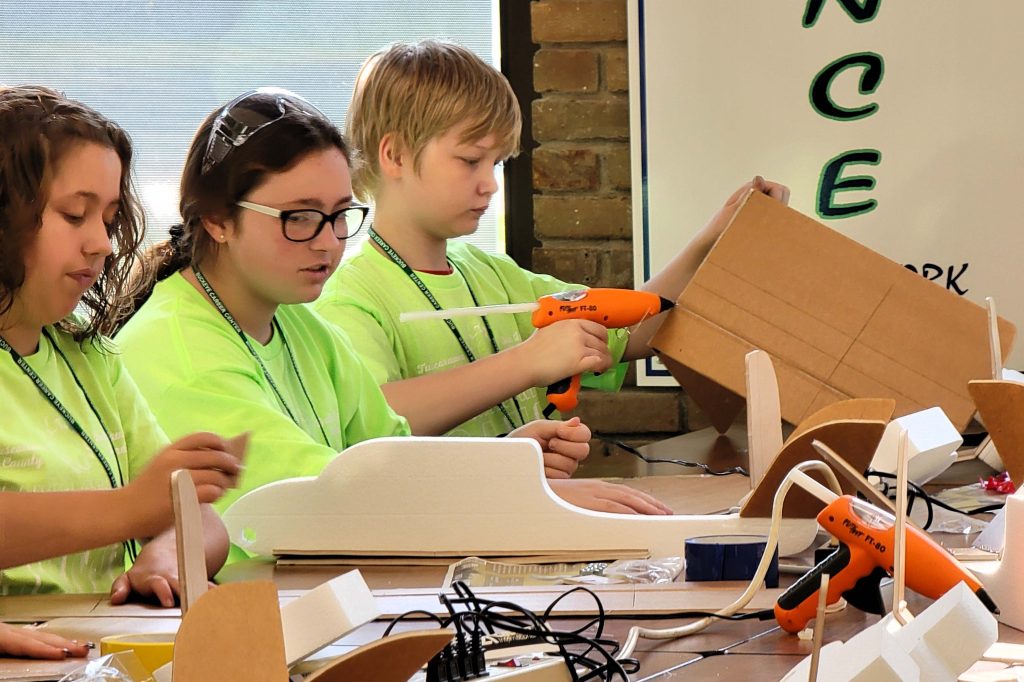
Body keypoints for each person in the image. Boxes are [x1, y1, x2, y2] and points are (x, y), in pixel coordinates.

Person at [117, 88, 669, 518]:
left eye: (340, 215)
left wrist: (504, 459)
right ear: (217, 220)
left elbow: (387, 448)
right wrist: (507, 489)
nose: (328, 241)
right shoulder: (178, 349)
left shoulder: (300, 326)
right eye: (300, 218)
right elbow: (320, 498)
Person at [312, 40, 790, 439]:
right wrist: (527, 363)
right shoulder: (349, 298)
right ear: (395, 155)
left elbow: (633, 328)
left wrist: (712, 240)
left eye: (497, 164)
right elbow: (372, 421)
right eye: (470, 160)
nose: (490, 184)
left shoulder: (496, 276)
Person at [0, 86, 243, 658]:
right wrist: (132, 508)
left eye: (109, 219)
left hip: (88, 650)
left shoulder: (91, 358)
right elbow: (143, 501)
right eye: (74, 215)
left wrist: (167, 553)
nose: (103, 244)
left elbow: (199, 519)